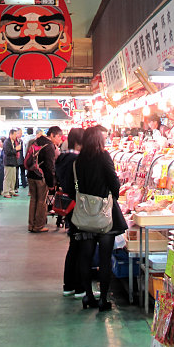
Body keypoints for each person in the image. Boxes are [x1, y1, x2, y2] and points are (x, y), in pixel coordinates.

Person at [65, 125, 127, 312]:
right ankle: (103, 300)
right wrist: (110, 195)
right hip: (104, 216)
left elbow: (70, 188)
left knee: (85, 256)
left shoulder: (78, 161)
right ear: (99, 140)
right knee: (105, 258)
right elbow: (114, 183)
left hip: (84, 216)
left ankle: (88, 296)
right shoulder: (104, 156)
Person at [55, 127, 85, 297]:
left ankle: (69, 285)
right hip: (78, 206)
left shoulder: (63, 158)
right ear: (80, 142)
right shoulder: (76, 160)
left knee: (74, 245)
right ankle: (80, 287)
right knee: (80, 246)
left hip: (68, 206)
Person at [26, 125, 60, 233]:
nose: (59, 139)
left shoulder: (35, 141)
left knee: (33, 200)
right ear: (52, 135)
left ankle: (31, 225)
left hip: (31, 175)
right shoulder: (49, 146)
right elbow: (49, 167)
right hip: (41, 177)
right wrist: (51, 183)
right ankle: (39, 226)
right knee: (41, 201)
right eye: (58, 136)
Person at [2, 128, 20, 197]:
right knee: (8, 178)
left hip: (13, 162)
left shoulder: (14, 142)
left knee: (13, 178)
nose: (16, 136)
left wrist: (16, 149)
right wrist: (16, 149)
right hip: (8, 163)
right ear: (11, 134)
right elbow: (8, 152)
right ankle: (6, 192)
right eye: (15, 134)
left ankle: (11, 191)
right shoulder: (7, 142)